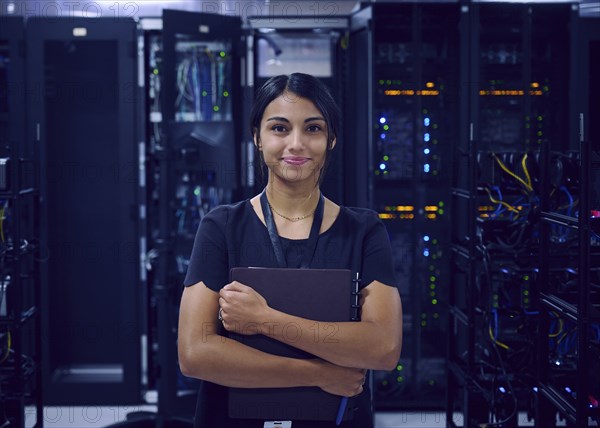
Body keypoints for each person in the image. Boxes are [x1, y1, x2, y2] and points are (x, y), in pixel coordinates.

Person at [178, 72, 403, 428]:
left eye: (313, 128)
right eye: (280, 128)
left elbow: (383, 348)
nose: (296, 144)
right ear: (257, 137)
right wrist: (317, 373)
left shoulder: (363, 231)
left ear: (331, 139)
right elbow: (195, 354)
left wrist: (263, 320)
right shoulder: (221, 227)